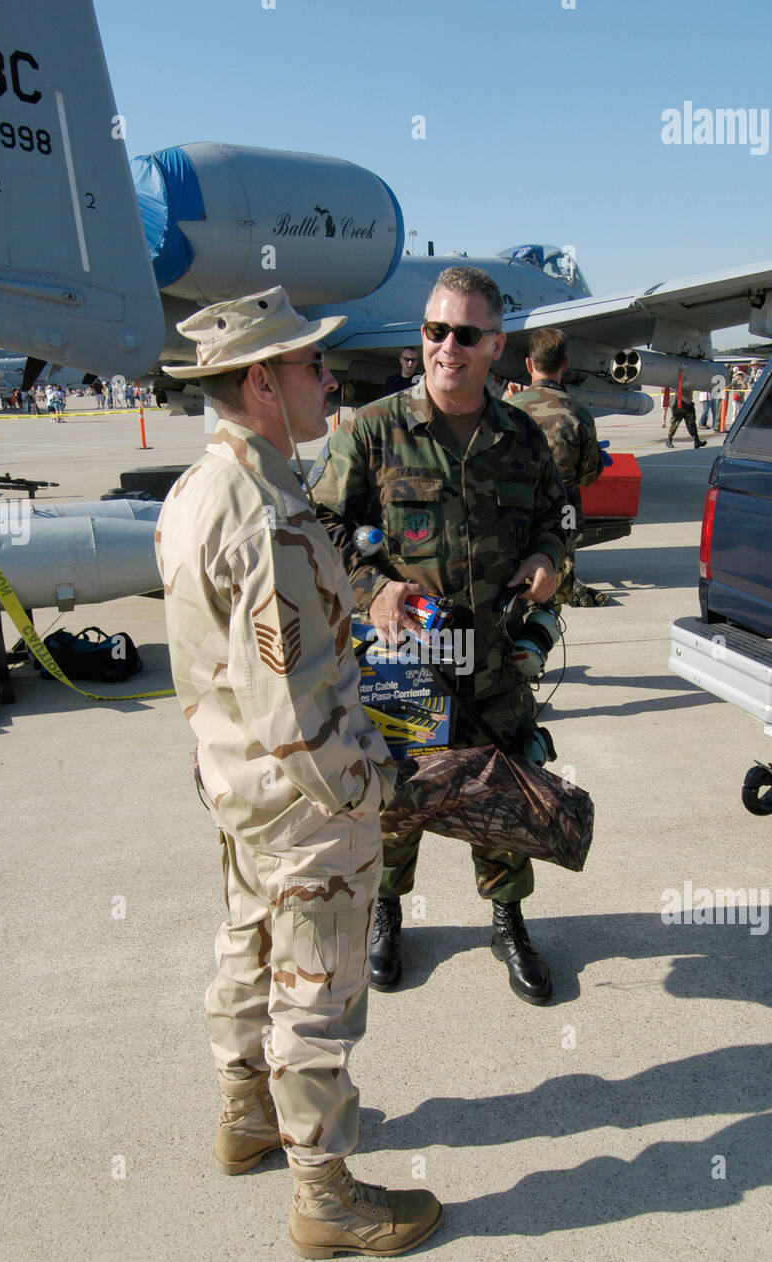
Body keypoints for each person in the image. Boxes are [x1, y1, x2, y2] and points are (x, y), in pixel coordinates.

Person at [156, 287, 441, 1259]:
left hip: (236, 786)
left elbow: (239, 659)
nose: (330, 379)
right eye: (311, 367)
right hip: (304, 799)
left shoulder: (201, 488)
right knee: (314, 995)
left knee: (246, 947)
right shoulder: (270, 512)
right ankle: (326, 1196)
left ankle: (245, 1119)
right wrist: (368, 793)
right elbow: (293, 707)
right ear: (260, 383)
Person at [314, 265, 568, 1006]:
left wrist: (551, 558)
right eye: (434, 330)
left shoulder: (520, 437)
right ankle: (389, 913)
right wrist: (375, 587)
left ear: (495, 344)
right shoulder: (373, 430)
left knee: (504, 791)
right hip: (405, 664)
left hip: (490, 662)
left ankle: (507, 919)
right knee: (397, 800)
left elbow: (559, 520)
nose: (445, 347)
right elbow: (318, 527)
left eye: (463, 333)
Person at [508, 327, 604, 607]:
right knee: (560, 574)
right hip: (565, 509)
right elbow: (589, 476)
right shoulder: (579, 415)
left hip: (517, 508)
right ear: (565, 365)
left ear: (529, 364)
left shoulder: (508, 410)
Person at [665, 381, 706, 448]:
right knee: (675, 424)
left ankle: (696, 441)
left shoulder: (691, 379)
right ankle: (669, 439)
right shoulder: (679, 379)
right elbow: (675, 389)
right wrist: (684, 398)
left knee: (692, 423)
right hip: (679, 405)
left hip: (688, 405)